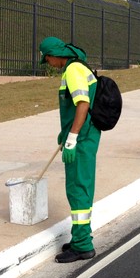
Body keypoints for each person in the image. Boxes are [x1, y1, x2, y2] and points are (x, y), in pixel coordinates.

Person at [39, 37, 101, 263]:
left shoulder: (73, 71)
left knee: (78, 189)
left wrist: (72, 138)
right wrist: (65, 133)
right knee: (79, 187)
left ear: (55, 54)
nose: (48, 63)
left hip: (82, 139)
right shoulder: (78, 67)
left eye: (47, 58)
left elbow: (82, 104)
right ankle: (79, 239)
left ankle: (83, 246)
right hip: (85, 136)